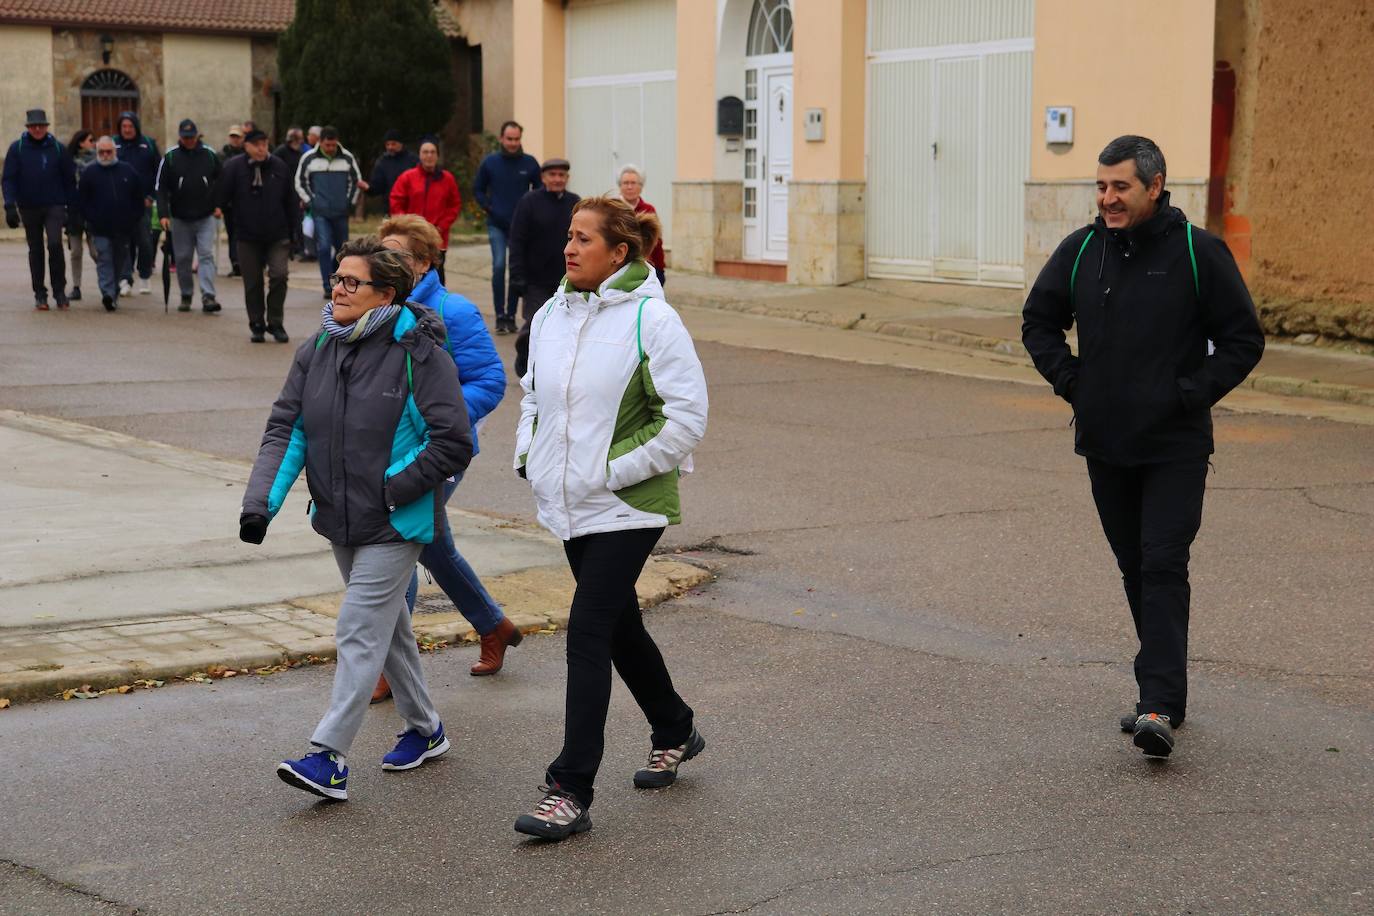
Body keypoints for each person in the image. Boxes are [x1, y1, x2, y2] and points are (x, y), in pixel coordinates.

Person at [1021, 135, 1264, 759]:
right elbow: (1038, 322)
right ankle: (1166, 695)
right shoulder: (1081, 252)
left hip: (1174, 446)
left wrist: (1190, 394)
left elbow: (1242, 340)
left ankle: (1155, 702)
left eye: (1120, 187)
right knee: (1136, 567)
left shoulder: (1197, 251)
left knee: (1162, 563)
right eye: (1100, 187)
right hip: (1105, 444)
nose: (1107, 199)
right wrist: (1074, 384)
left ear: (1154, 186)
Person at [240, 237, 472, 802]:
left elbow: (453, 441)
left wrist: (393, 489)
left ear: (385, 294)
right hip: (339, 516)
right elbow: (287, 429)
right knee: (386, 627)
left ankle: (329, 757)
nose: (337, 289)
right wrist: (259, 503)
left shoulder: (419, 354)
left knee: (358, 627)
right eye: (336, 278)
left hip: (397, 519)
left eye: (351, 282)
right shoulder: (318, 348)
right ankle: (427, 729)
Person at [512, 196, 708, 840]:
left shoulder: (654, 320)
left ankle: (569, 787)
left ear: (620, 252)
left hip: (629, 502)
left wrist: (609, 469)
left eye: (583, 239)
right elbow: (534, 395)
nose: (569, 248)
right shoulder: (550, 313)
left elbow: (684, 418)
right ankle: (676, 726)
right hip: (570, 499)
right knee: (620, 626)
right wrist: (530, 457)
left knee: (588, 630)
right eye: (568, 237)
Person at [373, 214, 512, 701]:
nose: (389, 264)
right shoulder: (377, 305)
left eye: (401, 256)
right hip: (388, 449)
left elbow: (490, 382)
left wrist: (439, 419)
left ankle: (389, 662)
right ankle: (493, 624)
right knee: (431, 546)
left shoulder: (453, 311)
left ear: (426, 262)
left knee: (400, 540)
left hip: (442, 448)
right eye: (383, 254)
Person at [216, 129, 296, 342]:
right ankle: (257, 323)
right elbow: (221, 196)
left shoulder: (279, 167)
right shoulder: (234, 167)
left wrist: (294, 235)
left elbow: (290, 201)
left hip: (277, 233)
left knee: (279, 275)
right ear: (247, 146)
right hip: (247, 236)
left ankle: (276, 322)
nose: (262, 149)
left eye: (265, 144)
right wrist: (219, 209)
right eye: (257, 145)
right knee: (253, 282)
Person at [509, 158, 578, 377]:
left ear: (567, 178)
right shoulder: (529, 202)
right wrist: (517, 275)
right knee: (535, 325)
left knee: (562, 327)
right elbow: (517, 240)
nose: (557, 179)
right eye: (552, 175)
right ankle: (524, 354)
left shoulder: (575, 203)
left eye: (561, 175)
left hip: (567, 278)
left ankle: (550, 369)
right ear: (543, 178)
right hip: (535, 280)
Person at [3, 108, 76, 310]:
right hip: (29, 206)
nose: (37, 129)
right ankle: (40, 293)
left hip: (54, 204)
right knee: (35, 250)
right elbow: (8, 179)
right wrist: (9, 205)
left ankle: (59, 291)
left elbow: (69, 180)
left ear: (46, 127)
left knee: (54, 245)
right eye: (33, 126)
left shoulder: (58, 149)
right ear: (28, 128)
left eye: (40, 126)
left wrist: (71, 208)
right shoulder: (17, 149)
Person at [473, 120, 539, 334]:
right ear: (501, 138)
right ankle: (499, 314)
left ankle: (511, 315)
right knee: (499, 266)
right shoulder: (490, 163)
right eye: (509, 139)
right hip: (497, 225)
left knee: (516, 269)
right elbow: (478, 189)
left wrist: (531, 211)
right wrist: (489, 207)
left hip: (521, 227)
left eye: (516, 139)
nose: (513, 143)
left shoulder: (530, 163)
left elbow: (539, 190)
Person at [155, 118, 222, 313]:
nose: (189, 141)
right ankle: (186, 293)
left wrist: (219, 204)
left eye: (192, 137)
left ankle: (208, 295)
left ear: (197, 136)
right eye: (185, 138)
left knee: (206, 255)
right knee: (183, 258)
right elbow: (161, 189)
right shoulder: (170, 157)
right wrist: (163, 214)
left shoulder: (209, 155)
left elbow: (221, 180)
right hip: (180, 217)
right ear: (180, 137)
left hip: (205, 216)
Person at [295, 126, 368, 298]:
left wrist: (349, 203)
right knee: (324, 247)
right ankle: (327, 286)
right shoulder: (309, 159)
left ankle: (337, 279)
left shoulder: (347, 157)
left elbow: (355, 181)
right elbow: (300, 181)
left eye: (333, 145)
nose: (330, 148)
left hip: (341, 212)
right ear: (320, 142)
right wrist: (310, 201)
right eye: (327, 145)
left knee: (343, 250)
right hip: (320, 212)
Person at [78, 136, 144, 312]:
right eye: (102, 152)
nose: (105, 155)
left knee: (119, 260)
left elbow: (138, 197)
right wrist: (90, 218)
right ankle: (107, 293)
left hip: (123, 228)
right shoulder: (89, 173)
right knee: (104, 258)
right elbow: (82, 200)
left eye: (109, 151)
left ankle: (113, 292)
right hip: (99, 227)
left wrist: (133, 218)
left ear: (115, 151)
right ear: (97, 153)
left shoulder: (127, 171)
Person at [388, 139, 460, 284]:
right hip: (412, 237)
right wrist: (406, 225)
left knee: (436, 275)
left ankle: (437, 306)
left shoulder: (447, 179)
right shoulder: (407, 177)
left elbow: (454, 205)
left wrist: (441, 226)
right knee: (410, 275)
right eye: (425, 152)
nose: (429, 156)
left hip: (437, 238)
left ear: (437, 156)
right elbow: (396, 201)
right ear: (419, 155)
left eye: (432, 152)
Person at [113, 111, 160, 296]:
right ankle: (125, 278)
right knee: (122, 242)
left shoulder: (148, 144)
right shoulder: (113, 144)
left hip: (143, 202)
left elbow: (158, 172)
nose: (127, 130)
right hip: (119, 203)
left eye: (130, 126)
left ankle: (145, 274)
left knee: (145, 242)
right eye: (124, 126)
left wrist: (152, 196)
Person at [615, 165, 666, 286]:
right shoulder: (613, 209)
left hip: (647, 268)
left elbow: (657, 242)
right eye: (625, 183)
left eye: (633, 183)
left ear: (641, 187)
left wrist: (660, 268)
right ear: (620, 186)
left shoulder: (648, 209)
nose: (629, 187)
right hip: (619, 269)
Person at [64, 130, 97, 302]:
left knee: (96, 252)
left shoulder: (98, 160)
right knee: (75, 251)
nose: (94, 142)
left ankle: (107, 282)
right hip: (74, 212)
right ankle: (76, 286)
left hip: (92, 210)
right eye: (91, 140)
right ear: (81, 143)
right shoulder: (69, 162)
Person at [274, 127, 307, 258]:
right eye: (300, 138)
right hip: (283, 191)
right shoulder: (281, 152)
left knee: (297, 220)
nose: (302, 140)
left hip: (296, 191)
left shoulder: (300, 153)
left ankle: (298, 247)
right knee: (287, 220)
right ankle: (288, 246)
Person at [368, 130, 418, 215]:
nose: (390, 147)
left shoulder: (413, 160)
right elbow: (377, 187)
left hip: (411, 210)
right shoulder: (382, 162)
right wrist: (368, 188)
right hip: (389, 210)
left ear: (401, 144)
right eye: (388, 144)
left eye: (393, 144)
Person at [219, 126, 246, 276]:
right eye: (233, 136)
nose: (235, 139)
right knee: (232, 233)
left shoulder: (247, 154)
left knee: (241, 233)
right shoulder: (222, 155)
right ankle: (235, 262)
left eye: (238, 137)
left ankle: (241, 261)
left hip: (244, 202)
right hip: (229, 202)